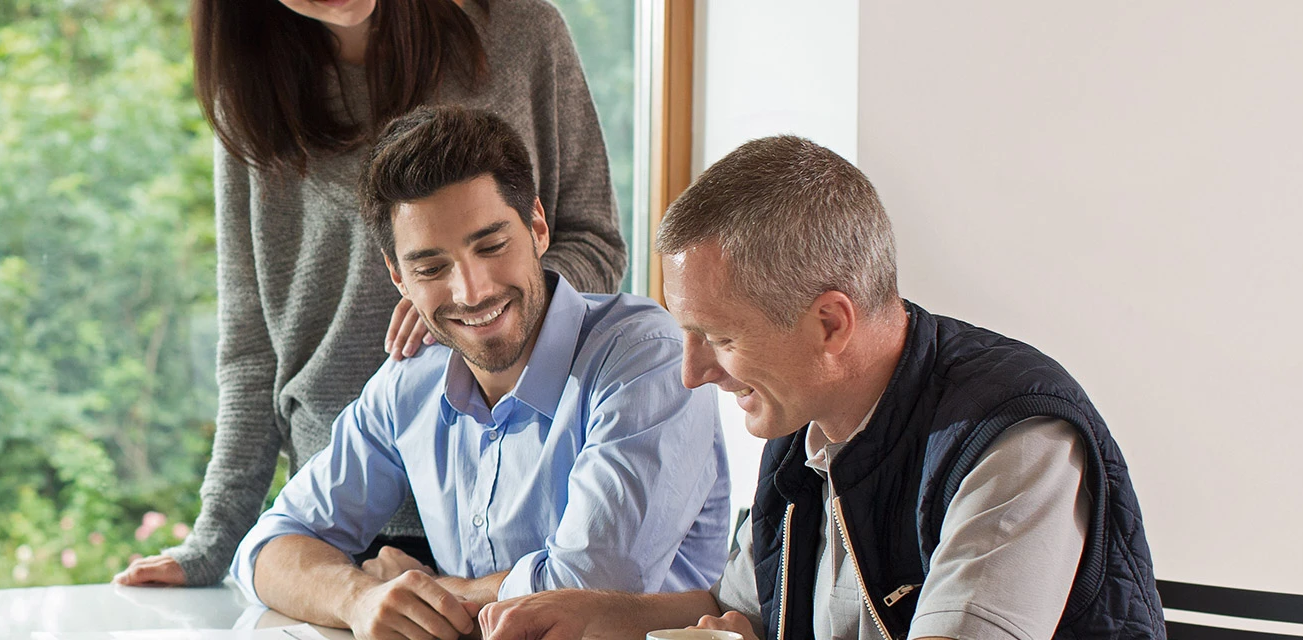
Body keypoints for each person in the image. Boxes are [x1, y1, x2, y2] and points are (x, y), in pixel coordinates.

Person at [478, 135, 1165, 640]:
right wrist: (604, 614)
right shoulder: (799, 427)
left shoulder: (1014, 441)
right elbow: (745, 611)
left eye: (719, 338)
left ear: (831, 323)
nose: (693, 373)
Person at [116, 0, 626, 586]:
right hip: (341, 509)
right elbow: (253, 348)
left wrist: (468, 304)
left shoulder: (520, 30)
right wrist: (218, 536)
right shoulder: (252, 94)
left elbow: (595, 243)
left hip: (521, 491)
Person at [230, 105, 728, 638]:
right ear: (398, 276)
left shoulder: (644, 358)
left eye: (491, 246)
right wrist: (358, 596)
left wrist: (432, 589)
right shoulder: (409, 384)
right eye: (431, 268)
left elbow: (583, 592)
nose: (472, 291)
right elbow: (267, 549)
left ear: (537, 226)